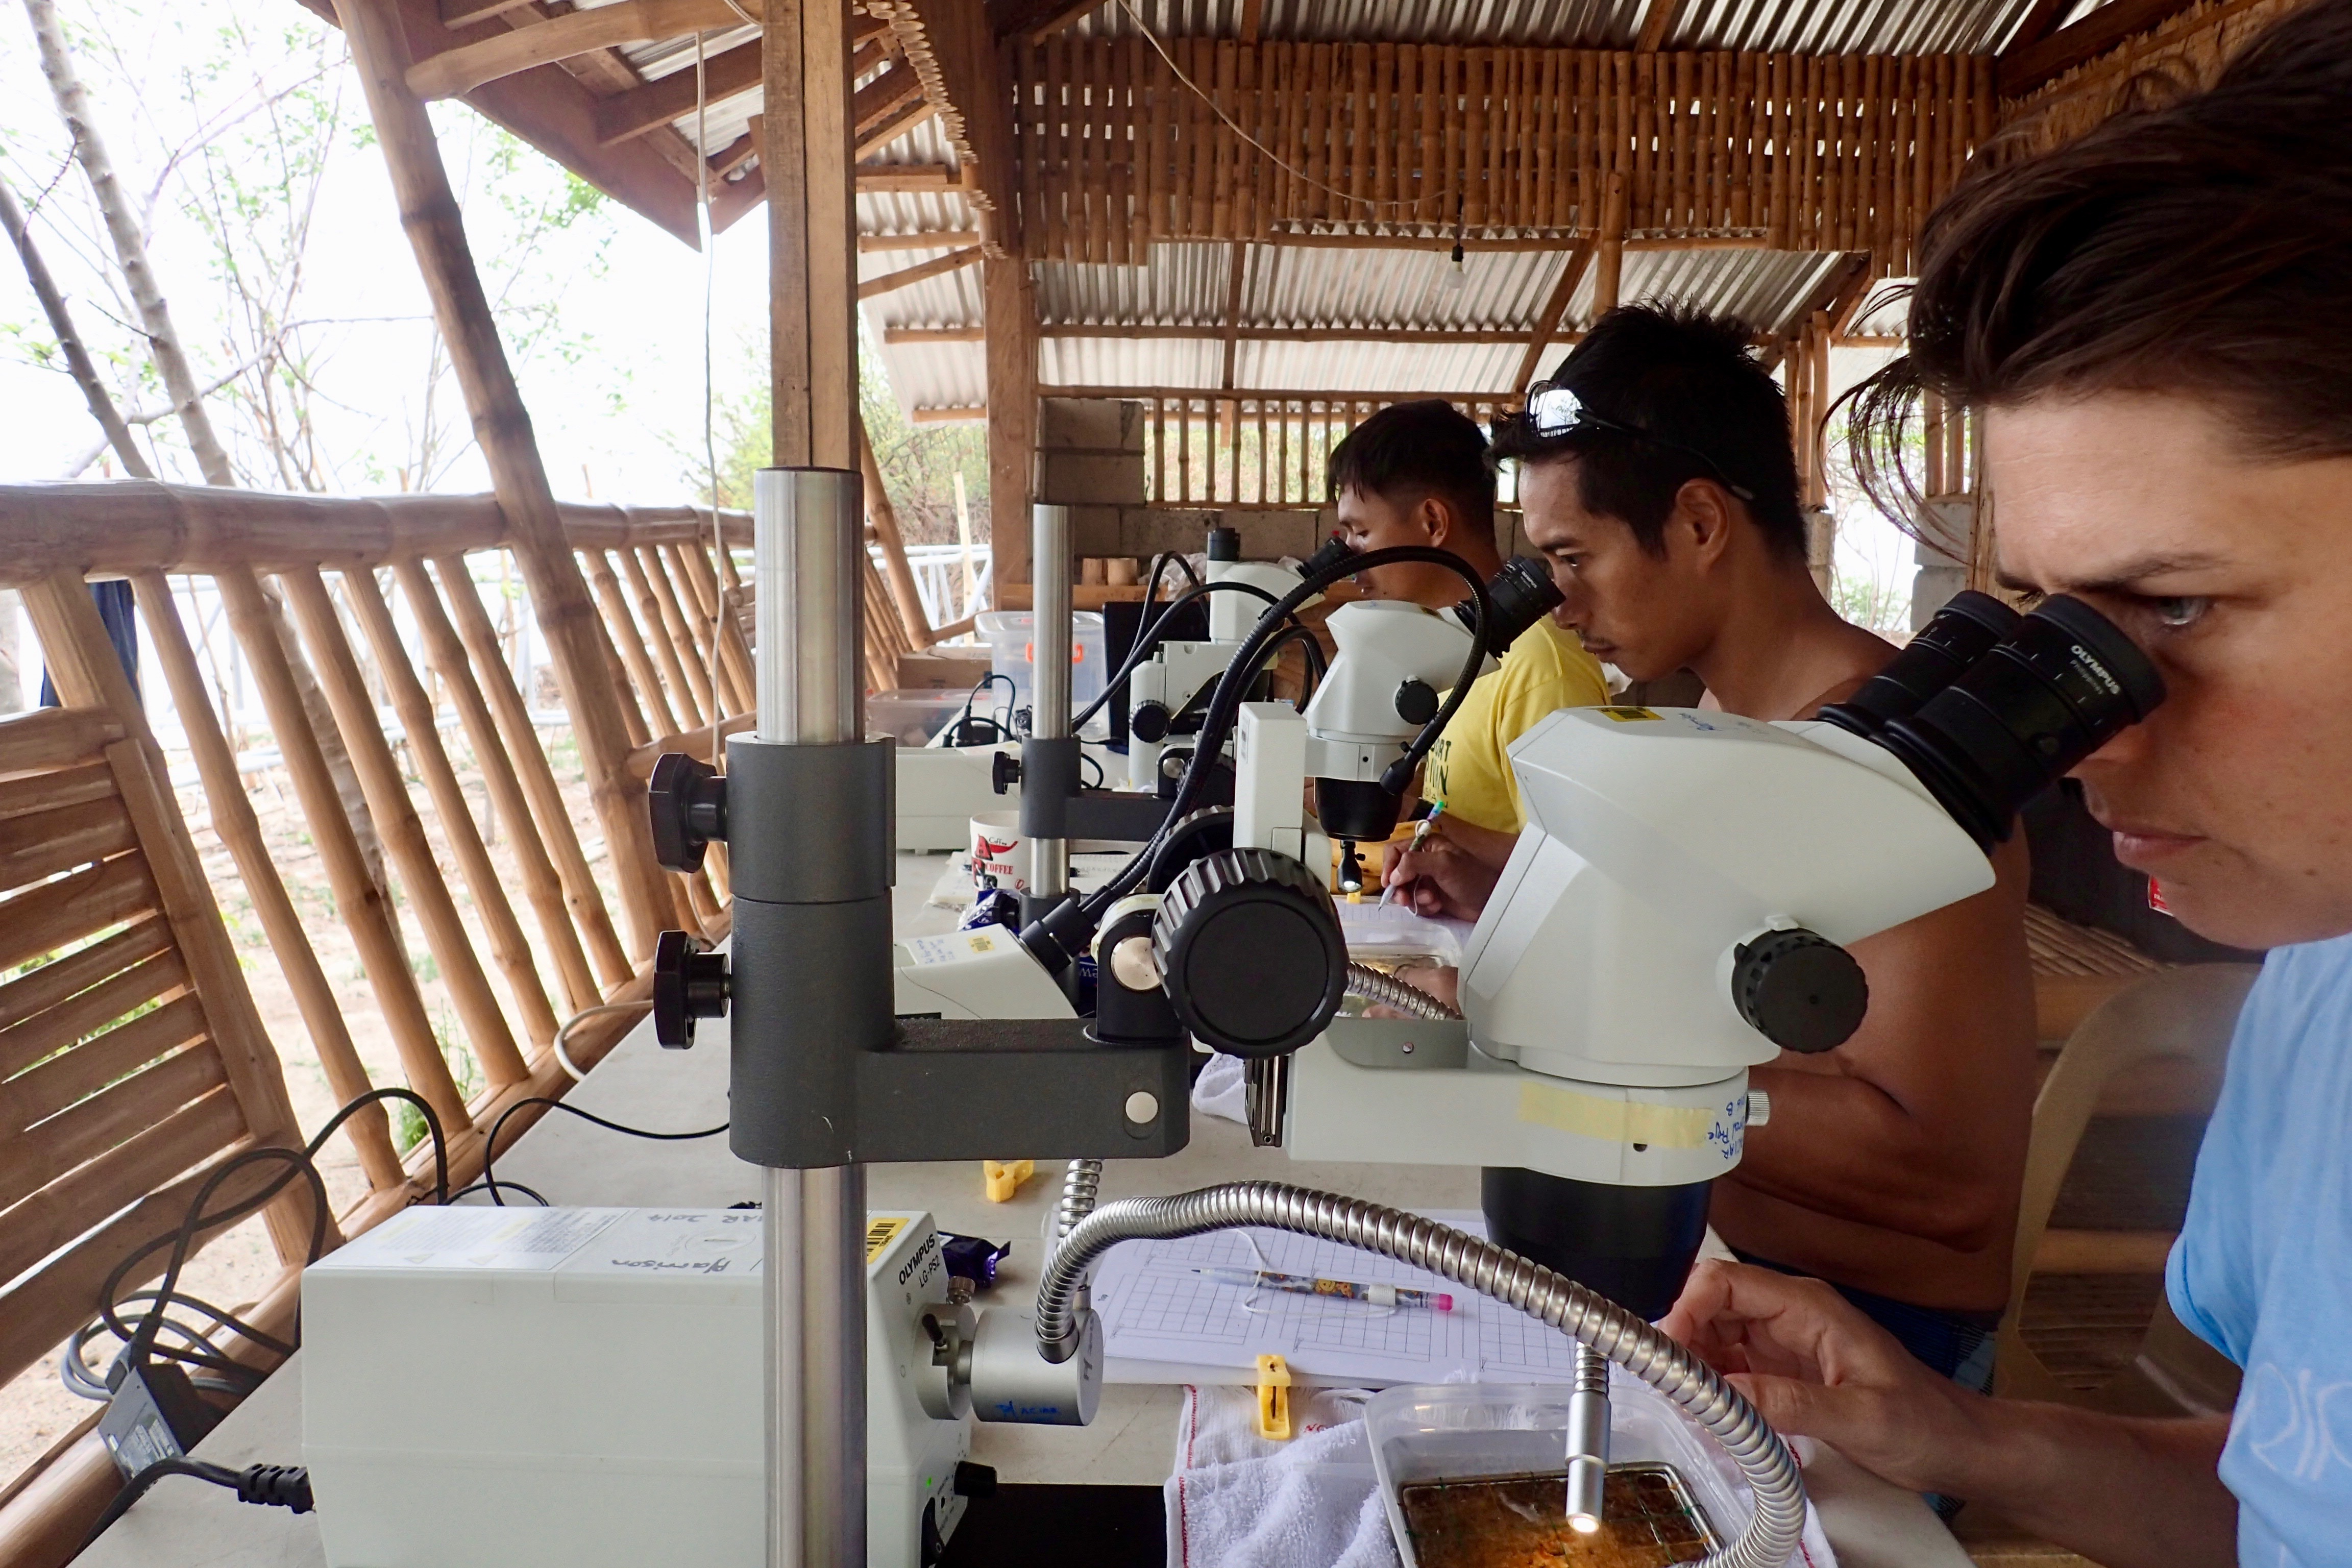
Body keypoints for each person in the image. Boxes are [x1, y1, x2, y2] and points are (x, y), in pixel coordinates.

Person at [1657, 6, 2352, 1562]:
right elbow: (2274, 1501)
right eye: (2056, 620)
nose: (2082, 736)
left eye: (2176, 605)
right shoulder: (2320, 992)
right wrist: (1952, 1437)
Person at [1386, 304, 2040, 1400]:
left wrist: (1549, 1049)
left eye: (1575, 558)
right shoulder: (1722, 734)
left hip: (1869, 1342)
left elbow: (1943, 1176)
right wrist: (1505, 901)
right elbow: (1708, 972)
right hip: (1716, 1269)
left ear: (1698, 523)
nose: (1560, 606)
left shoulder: (1891, 771)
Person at [1326, 399, 1609, 860]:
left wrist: (1425, 824)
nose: (1350, 560)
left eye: (1361, 532)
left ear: (1433, 522)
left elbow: (1570, 863)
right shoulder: (1445, 650)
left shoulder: (1540, 668)